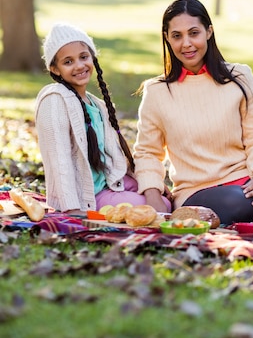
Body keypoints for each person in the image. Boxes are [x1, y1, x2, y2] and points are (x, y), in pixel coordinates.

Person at [133, 0, 253, 225]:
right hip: (196, 190)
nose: (186, 43)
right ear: (167, 38)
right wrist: (152, 195)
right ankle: (199, 217)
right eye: (177, 36)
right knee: (239, 203)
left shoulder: (240, 77)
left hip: (248, 181)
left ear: (209, 32)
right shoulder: (157, 91)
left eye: (194, 33)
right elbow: (147, 152)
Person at [35, 22, 172, 215]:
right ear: (55, 69)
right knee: (161, 208)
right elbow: (59, 159)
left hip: (111, 181)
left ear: (92, 57)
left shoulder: (97, 105)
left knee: (162, 198)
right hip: (89, 196)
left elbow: (113, 155)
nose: (79, 65)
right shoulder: (55, 99)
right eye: (68, 62)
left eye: (84, 57)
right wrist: (72, 209)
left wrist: (149, 185)